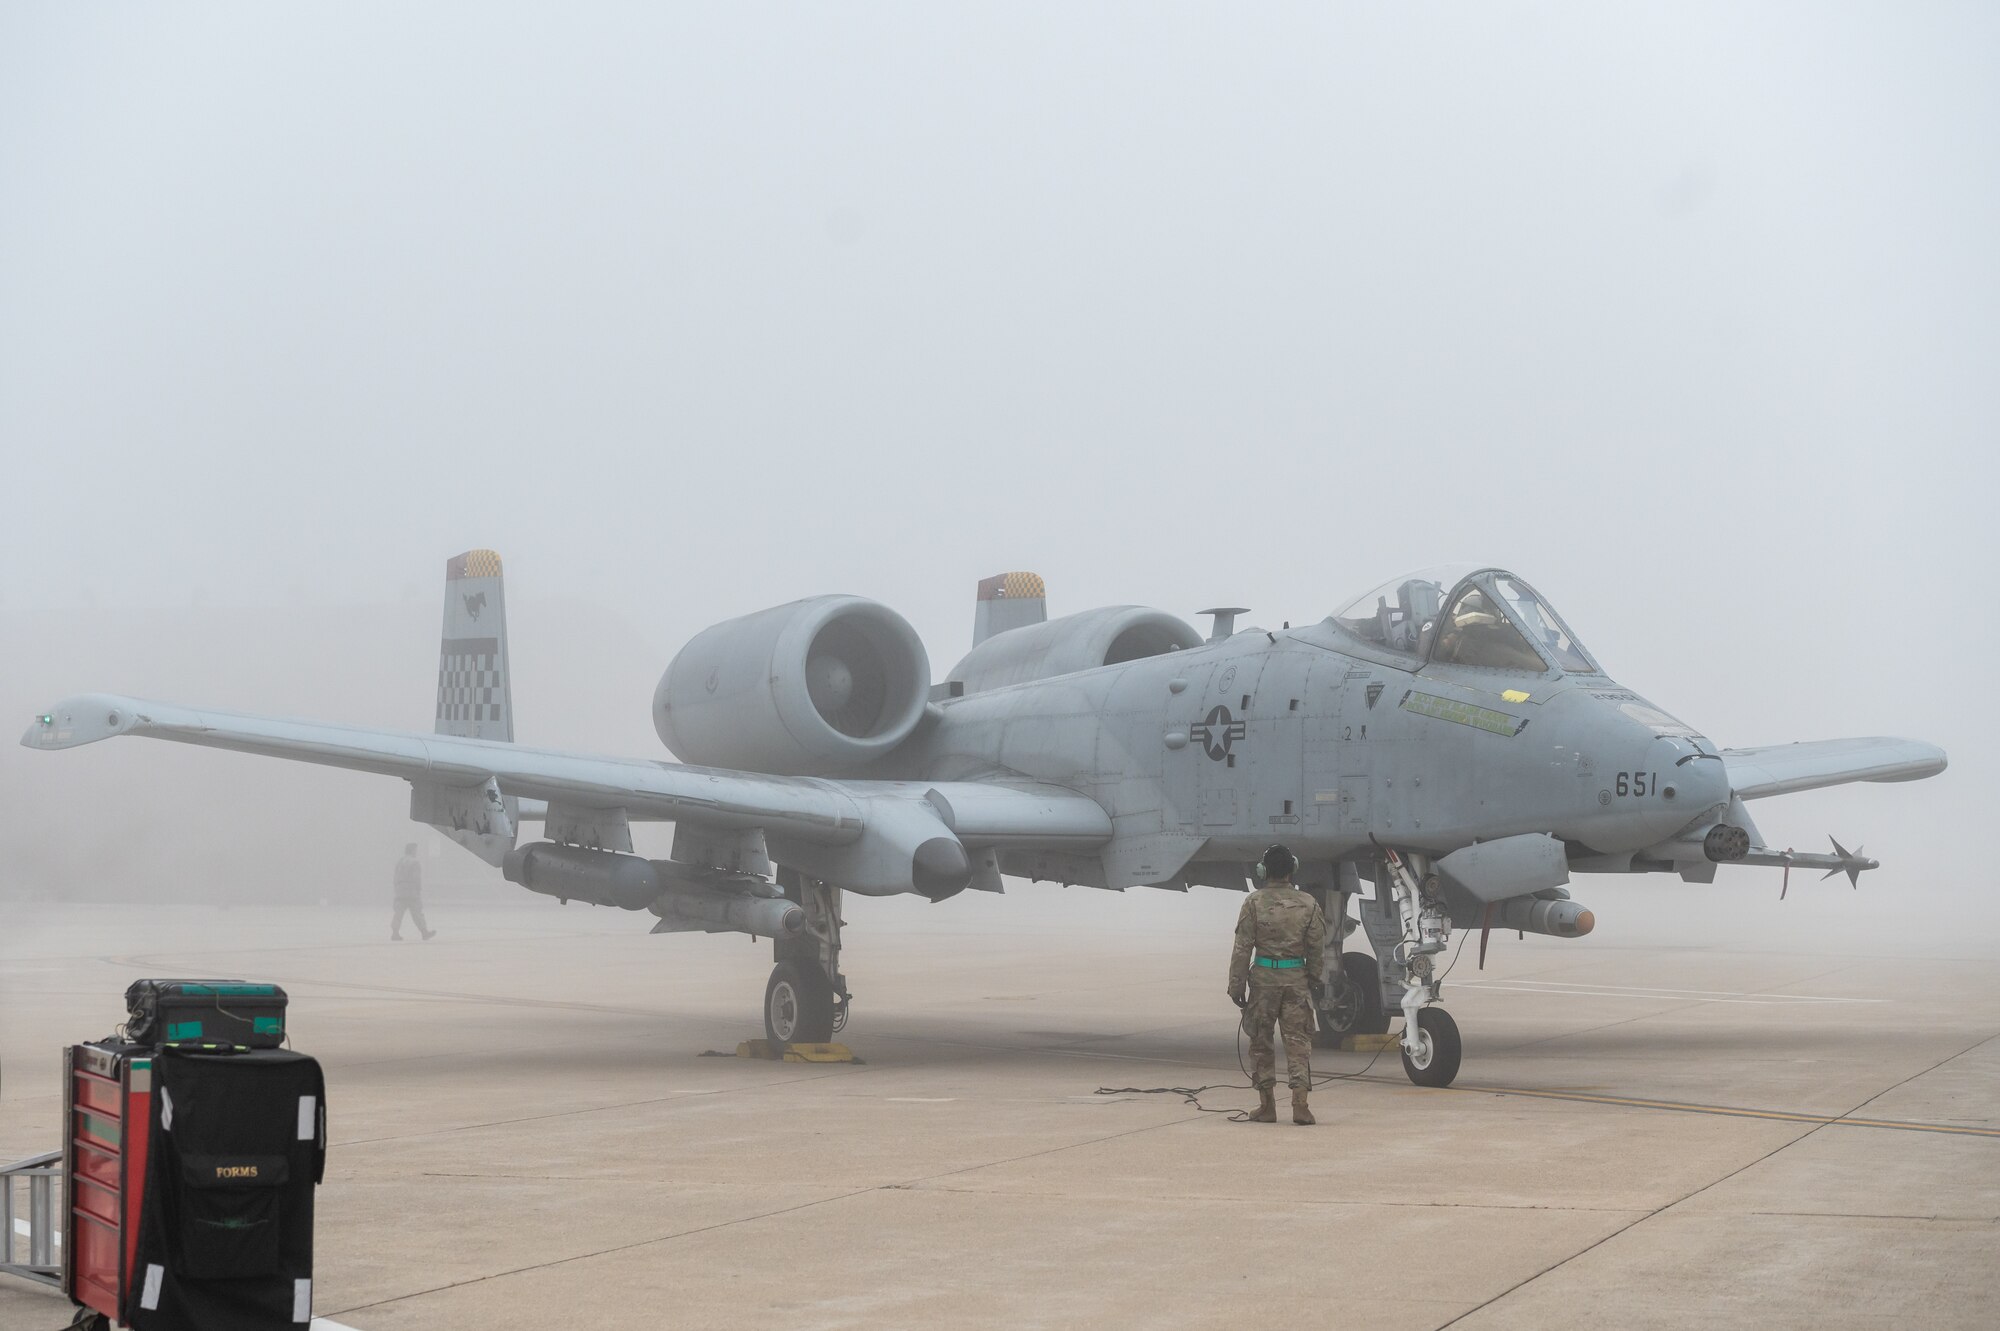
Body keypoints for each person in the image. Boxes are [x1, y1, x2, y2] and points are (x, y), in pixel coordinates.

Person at [1227, 844, 1327, 1124]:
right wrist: (1316, 980)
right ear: (1292, 869)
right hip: (1296, 982)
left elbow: (1242, 948)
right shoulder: (1309, 903)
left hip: (1263, 983)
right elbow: (1316, 949)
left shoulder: (1254, 903)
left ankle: (1267, 1106)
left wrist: (1236, 986)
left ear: (1263, 871)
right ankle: (1300, 1106)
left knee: (1261, 1044)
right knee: (1298, 1044)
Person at [392, 842, 436, 941]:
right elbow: (416, 878)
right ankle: (424, 932)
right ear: (412, 850)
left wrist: (397, 888)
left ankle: (395, 932)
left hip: (400, 891)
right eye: (416, 850)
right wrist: (418, 890)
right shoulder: (415, 862)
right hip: (411, 892)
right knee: (417, 913)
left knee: (398, 914)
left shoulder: (400, 861)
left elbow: (395, 876)